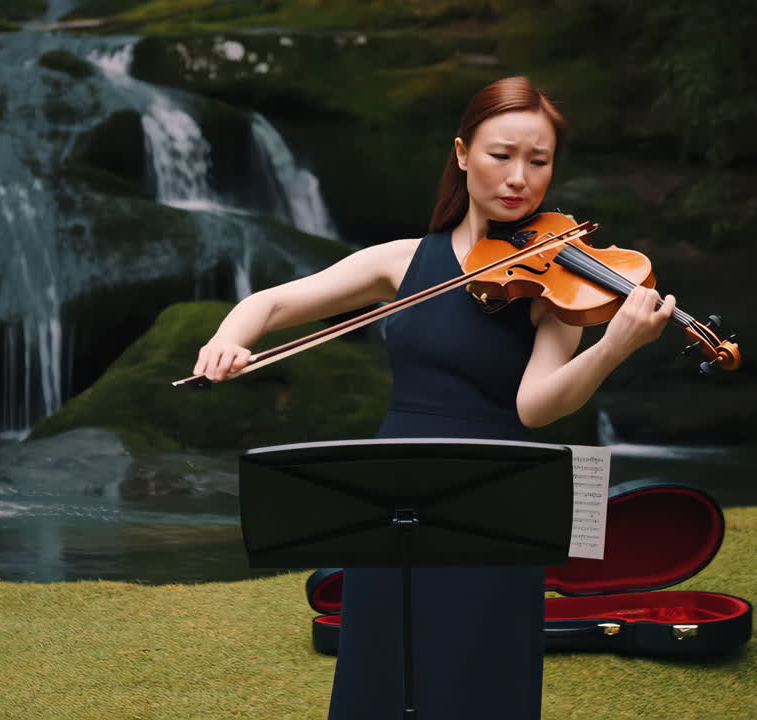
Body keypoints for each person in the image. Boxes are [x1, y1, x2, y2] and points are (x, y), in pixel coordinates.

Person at [193, 76, 675, 719]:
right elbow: (273, 302)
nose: (519, 178)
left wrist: (614, 346)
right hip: (392, 492)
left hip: (497, 502)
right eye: (501, 155)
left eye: (539, 161)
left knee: (480, 683)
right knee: (380, 674)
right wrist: (229, 337)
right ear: (462, 154)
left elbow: (536, 407)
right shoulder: (402, 261)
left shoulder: (559, 281)